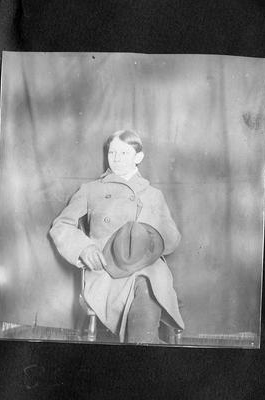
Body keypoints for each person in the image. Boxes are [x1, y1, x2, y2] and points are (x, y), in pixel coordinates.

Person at [49, 129, 183, 343]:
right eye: (112, 153)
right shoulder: (91, 189)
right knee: (144, 287)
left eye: (124, 153)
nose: (116, 159)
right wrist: (84, 248)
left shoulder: (153, 194)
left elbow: (173, 239)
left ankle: (143, 344)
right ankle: (145, 346)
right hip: (106, 268)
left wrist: (152, 237)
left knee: (149, 282)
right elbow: (61, 226)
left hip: (147, 265)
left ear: (138, 157)